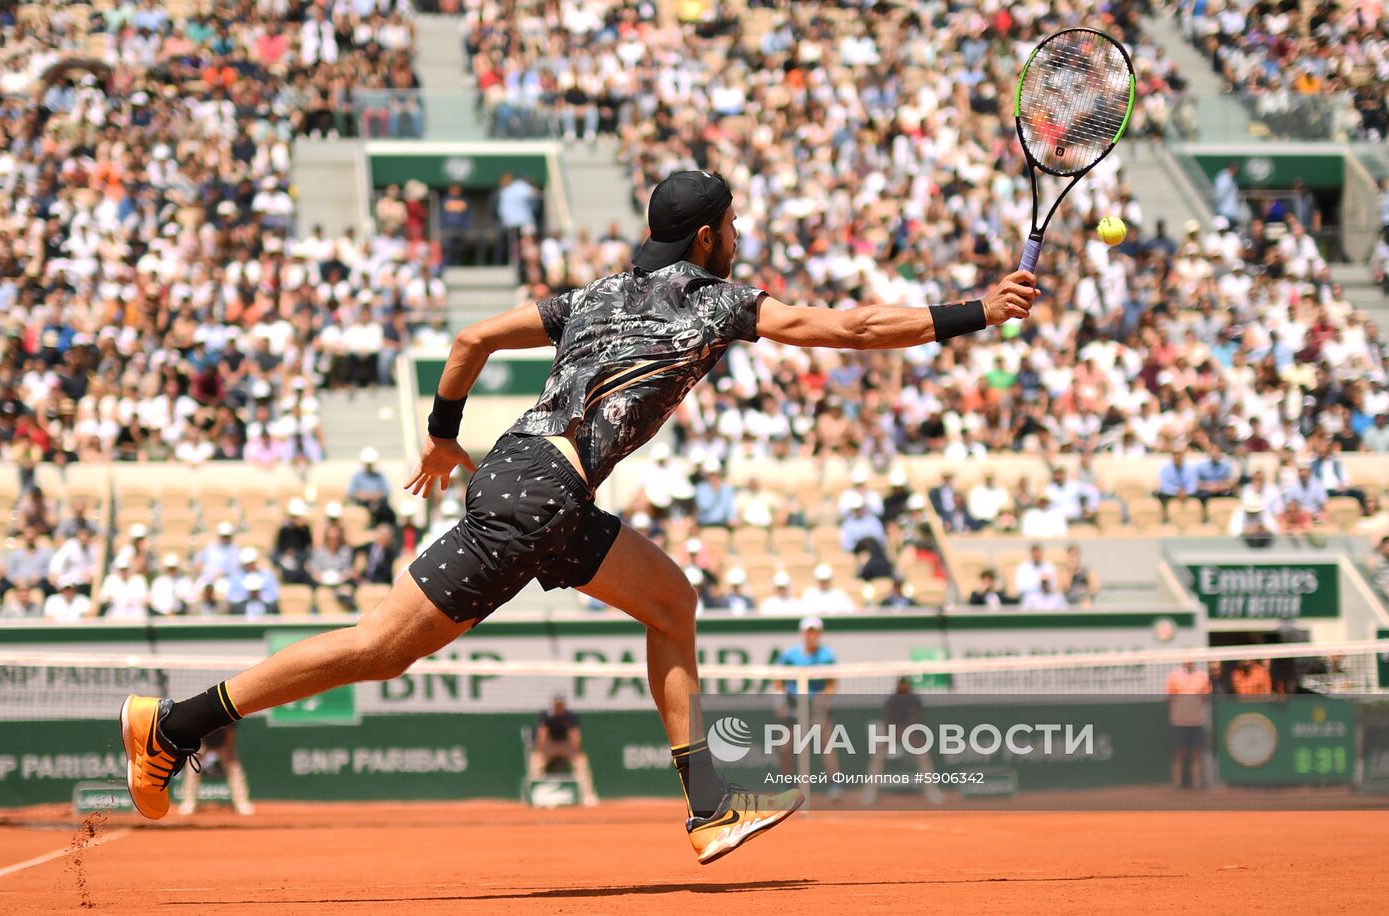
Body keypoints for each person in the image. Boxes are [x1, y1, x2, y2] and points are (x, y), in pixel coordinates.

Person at [120, 169, 1037, 864]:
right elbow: (855, 329)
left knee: (670, 603)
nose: (737, 242)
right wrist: (976, 313)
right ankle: (175, 723)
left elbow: (471, 338)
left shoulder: (593, 296)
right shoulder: (717, 302)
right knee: (375, 651)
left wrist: (444, 435)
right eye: (733, 231)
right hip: (541, 497)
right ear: (712, 238)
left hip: (534, 483)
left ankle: (709, 805)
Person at [772, 617, 840, 795]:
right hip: (794, 703)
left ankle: (834, 784)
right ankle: (787, 783)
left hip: (816, 705)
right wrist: (781, 699)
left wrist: (823, 698)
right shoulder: (790, 655)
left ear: (820, 634)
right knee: (784, 745)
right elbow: (778, 679)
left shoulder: (827, 656)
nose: (812, 636)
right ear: (803, 634)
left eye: (815, 632)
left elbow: (832, 684)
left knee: (827, 743)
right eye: (809, 632)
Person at [863, 677, 943, 806]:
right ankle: (869, 793)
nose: (903, 688)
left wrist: (912, 734)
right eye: (901, 685)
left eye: (905, 685)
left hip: (910, 730)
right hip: (893, 729)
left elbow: (917, 718)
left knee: (923, 756)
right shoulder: (892, 699)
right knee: (878, 757)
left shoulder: (914, 699)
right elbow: (887, 718)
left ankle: (932, 792)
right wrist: (888, 737)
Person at [528, 694, 599, 806]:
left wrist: (576, 752)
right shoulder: (546, 715)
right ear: (553, 704)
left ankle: (587, 796)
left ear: (564, 705)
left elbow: (575, 734)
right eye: (557, 704)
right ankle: (533, 795)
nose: (558, 706)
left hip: (566, 745)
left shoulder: (570, 716)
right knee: (536, 761)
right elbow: (542, 734)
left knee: (581, 762)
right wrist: (540, 751)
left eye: (560, 704)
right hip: (550, 744)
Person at [177, 723, 255, 816]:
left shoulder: (230, 711)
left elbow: (230, 733)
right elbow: (196, 727)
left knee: (233, 767)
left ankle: (241, 803)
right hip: (202, 739)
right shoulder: (203, 711)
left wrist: (230, 753)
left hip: (223, 741)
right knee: (193, 766)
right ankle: (189, 802)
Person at [1165, 660, 1211, 790]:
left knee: (1197, 754)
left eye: (1191, 661)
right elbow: (1169, 699)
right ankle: (1177, 785)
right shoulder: (1173, 677)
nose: (1189, 663)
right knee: (1179, 754)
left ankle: (1197, 785)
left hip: (1197, 721)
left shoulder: (1202, 677)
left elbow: (1206, 698)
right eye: (1187, 660)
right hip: (1178, 722)